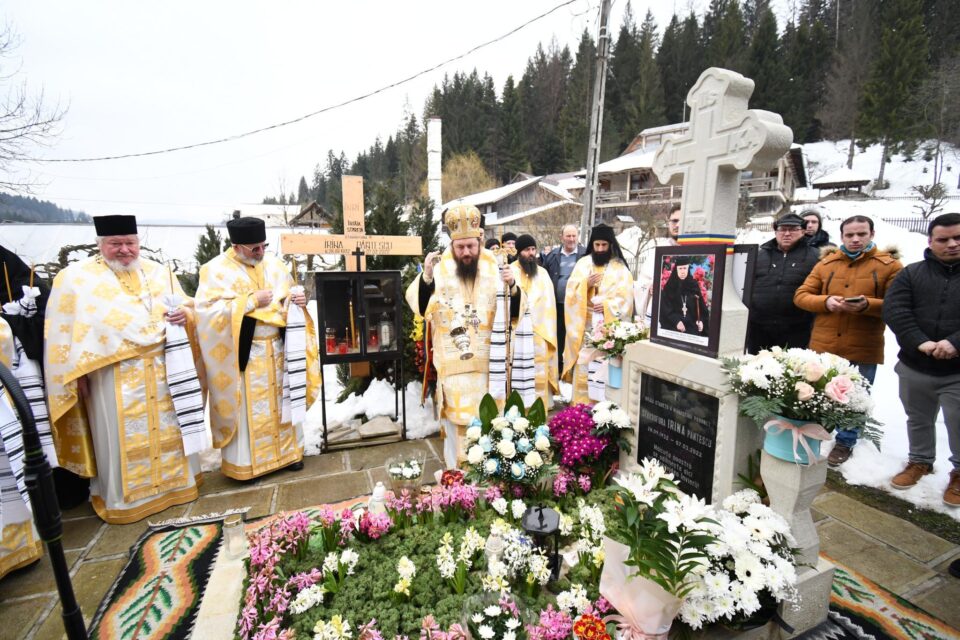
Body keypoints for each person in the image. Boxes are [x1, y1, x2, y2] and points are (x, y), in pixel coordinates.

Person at [44, 215, 203, 524]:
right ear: (100, 244)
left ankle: (179, 485)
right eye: (115, 243)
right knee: (119, 439)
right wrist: (72, 377)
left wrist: (184, 315)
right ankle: (123, 501)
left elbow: (189, 306)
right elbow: (60, 333)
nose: (124, 250)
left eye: (130, 243)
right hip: (111, 376)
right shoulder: (76, 278)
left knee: (171, 427)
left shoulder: (160, 272)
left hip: (165, 368)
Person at [195, 217, 321, 481]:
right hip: (244, 355)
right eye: (254, 248)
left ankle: (289, 455)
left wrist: (298, 299)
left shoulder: (274, 265)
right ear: (236, 246)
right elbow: (206, 314)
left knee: (283, 399)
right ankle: (247, 466)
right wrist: (249, 302)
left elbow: (286, 298)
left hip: (278, 350)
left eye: (263, 246)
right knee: (248, 409)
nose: (261, 252)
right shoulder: (215, 270)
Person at [406, 204, 519, 468]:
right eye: (460, 247)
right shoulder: (440, 268)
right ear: (452, 244)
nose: (466, 252)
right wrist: (426, 279)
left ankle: (490, 476)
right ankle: (457, 482)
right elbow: (420, 307)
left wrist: (513, 285)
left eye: (471, 246)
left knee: (491, 423)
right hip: (455, 368)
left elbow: (517, 310)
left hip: (490, 368)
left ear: (479, 239)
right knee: (459, 428)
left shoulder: (495, 266)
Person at [795, 215, 903, 466]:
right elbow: (801, 295)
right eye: (849, 235)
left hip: (863, 345)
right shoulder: (827, 263)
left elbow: (899, 304)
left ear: (871, 234)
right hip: (825, 344)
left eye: (861, 234)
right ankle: (819, 432)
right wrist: (826, 302)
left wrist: (868, 305)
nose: (855, 239)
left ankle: (846, 441)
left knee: (856, 397)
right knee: (820, 392)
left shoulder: (889, 266)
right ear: (842, 236)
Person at [882, 213, 960, 507]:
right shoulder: (912, 274)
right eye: (943, 239)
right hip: (916, 364)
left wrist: (954, 343)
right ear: (931, 242)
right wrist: (922, 343)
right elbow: (896, 311)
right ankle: (920, 461)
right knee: (918, 418)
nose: (951, 244)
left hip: (957, 370)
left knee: (958, 420)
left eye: (957, 238)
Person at [562, 224, 634, 405]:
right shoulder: (583, 264)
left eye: (604, 245)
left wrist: (608, 306)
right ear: (592, 245)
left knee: (603, 375)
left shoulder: (620, 269)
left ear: (610, 245)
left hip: (607, 333)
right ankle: (579, 411)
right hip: (584, 329)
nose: (600, 249)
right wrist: (585, 285)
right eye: (597, 245)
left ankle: (602, 414)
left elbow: (626, 300)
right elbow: (570, 295)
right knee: (584, 370)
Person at [746, 213, 821, 353]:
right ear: (776, 231)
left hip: (797, 329)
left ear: (803, 231)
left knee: (790, 371)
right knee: (758, 370)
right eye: (782, 229)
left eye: (793, 229)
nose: (787, 233)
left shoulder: (816, 256)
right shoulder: (759, 255)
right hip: (759, 328)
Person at [510, 234, 559, 410]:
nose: (531, 254)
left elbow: (549, 305)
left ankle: (539, 408)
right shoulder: (510, 271)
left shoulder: (543, 274)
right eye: (526, 250)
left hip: (539, 331)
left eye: (533, 249)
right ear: (518, 252)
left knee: (538, 370)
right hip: (517, 331)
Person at [542, 224, 586, 373]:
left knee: (575, 338)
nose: (571, 239)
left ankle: (575, 369)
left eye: (574, 236)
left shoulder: (585, 255)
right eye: (568, 236)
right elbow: (544, 278)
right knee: (558, 338)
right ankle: (559, 369)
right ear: (562, 237)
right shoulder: (552, 256)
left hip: (577, 307)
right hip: (557, 306)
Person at [634, 204, 681, 328]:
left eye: (682, 221)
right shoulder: (659, 252)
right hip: (660, 316)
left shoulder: (698, 252)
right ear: (669, 223)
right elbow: (641, 282)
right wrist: (651, 286)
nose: (678, 225)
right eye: (674, 221)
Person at [659, 256, 710, 337]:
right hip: (674, 328)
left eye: (684, 268)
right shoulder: (669, 286)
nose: (683, 272)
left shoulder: (694, 286)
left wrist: (701, 322)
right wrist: (676, 321)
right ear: (676, 269)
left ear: (688, 269)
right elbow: (665, 308)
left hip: (692, 328)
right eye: (680, 269)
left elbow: (702, 309)